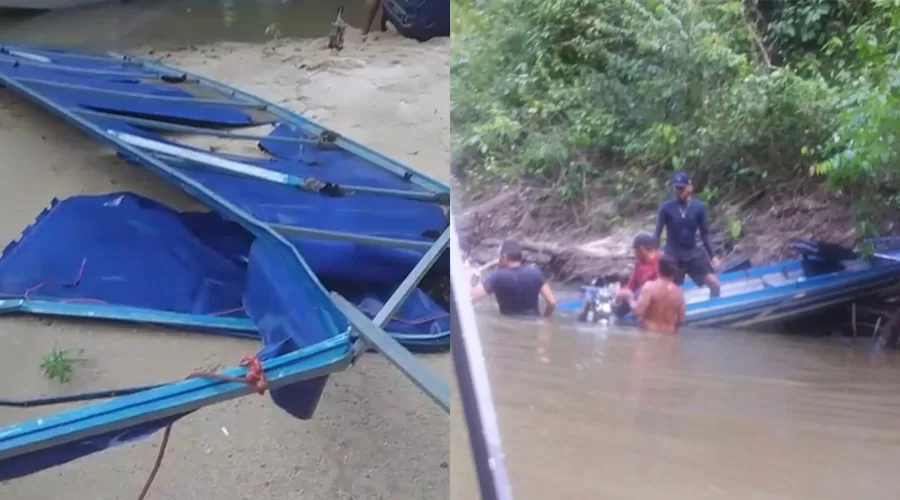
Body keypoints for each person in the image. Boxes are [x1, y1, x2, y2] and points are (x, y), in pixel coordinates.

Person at [652, 171, 721, 298]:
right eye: (676, 188)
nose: (678, 191)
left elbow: (705, 233)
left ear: (689, 187)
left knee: (715, 285)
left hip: (693, 254)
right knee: (670, 293)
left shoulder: (698, 207)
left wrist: (713, 256)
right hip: (673, 256)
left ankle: (714, 310)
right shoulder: (666, 208)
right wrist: (653, 253)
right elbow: (657, 232)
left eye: (681, 188)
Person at [470, 241, 556, 317]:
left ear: (504, 256)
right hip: (534, 324)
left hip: (508, 327)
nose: (498, 259)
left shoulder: (496, 276)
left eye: (499, 256)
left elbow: (470, 298)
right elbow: (552, 302)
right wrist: (545, 318)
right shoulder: (535, 272)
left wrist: (468, 279)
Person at [632, 255, 686, 334]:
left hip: (649, 334)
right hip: (669, 336)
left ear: (658, 268)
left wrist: (630, 299)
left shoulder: (649, 286)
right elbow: (682, 319)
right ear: (674, 272)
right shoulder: (679, 293)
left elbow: (638, 312)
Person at [614, 233, 661, 316]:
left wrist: (631, 297)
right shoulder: (639, 265)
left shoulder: (661, 264)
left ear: (641, 249)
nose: (634, 254)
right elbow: (630, 285)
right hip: (638, 300)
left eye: (635, 250)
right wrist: (621, 294)